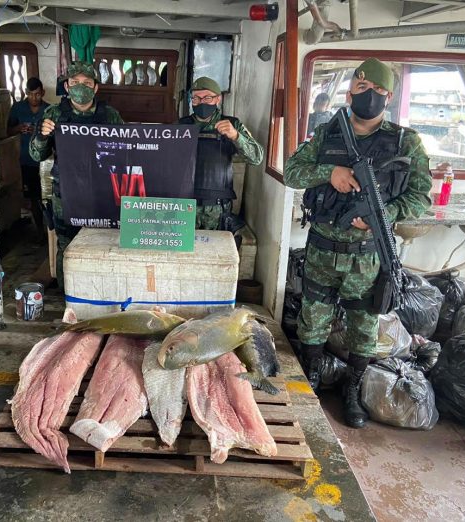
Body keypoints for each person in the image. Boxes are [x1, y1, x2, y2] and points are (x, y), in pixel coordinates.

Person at [284, 58, 432, 429]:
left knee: (364, 328)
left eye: (379, 92)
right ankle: (312, 378)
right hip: (321, 249)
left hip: (367, 258)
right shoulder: (326, 133)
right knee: (311, 321)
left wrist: (386, 213)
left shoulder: (405, 142)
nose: (370, 97)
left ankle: (353, 390)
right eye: (363, 90)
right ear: (350, 92)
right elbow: (292, 171)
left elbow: (421, 197)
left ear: (390, 97)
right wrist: (329, 172)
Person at [29, 61, 123, 288]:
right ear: (67, 86)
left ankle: (102, 292)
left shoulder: (109, 115)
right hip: (67, 193)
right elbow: (36, 155)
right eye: (75, 82)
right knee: (68, 246)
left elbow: (125, 151)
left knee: (104, 244)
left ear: (95, 87)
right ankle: (67, 298)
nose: (81, 86)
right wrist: (42, 136)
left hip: (103, 193)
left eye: (87, 82)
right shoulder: (53, 113)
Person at [177, 76, 263, 230]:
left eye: (207, 97)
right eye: (196, 98)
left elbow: (256, 158)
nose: (201, 102)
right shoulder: (180, 125)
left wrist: (236, 136)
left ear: (218, 99)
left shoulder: (232, 124)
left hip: (217, 208)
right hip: (185, 205)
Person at [7, 77, 49, 240]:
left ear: (42, 93)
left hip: (44, 161)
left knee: (44, 198)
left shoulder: (49, 110)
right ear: (26, 93)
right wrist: (18, 128)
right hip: (25, 161)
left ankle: (46, 231)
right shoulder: (17, 108)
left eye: (37, 94)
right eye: (30, 94)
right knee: (32, 198)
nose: (34, 98)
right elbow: (8, 131)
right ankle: (39, 232)